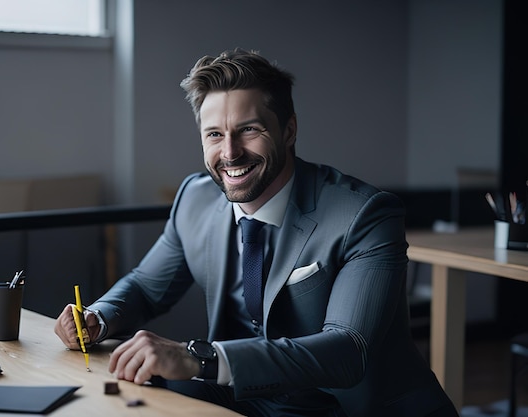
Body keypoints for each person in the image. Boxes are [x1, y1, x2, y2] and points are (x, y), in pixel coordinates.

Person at [55, 48, 458, 417]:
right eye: (214, 134)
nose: (229, 153)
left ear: (288, 130)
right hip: (241, 397)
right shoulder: (193, 200)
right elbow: (145, 287)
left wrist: (202, 359)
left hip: (346, 408)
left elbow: (348, 351)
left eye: (248, 130)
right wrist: (97, 318)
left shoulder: (366, 214)